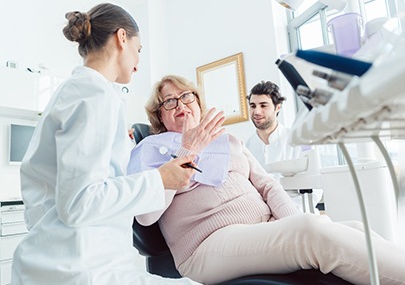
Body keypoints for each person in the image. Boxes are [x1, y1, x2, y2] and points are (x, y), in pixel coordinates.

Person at [127, 74, 405, 285]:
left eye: (186, 96)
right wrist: (189, 150)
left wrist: (290, 221)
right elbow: (146, 216)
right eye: (169, 101)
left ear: (198, 104)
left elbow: (268, 185)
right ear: (160, 116)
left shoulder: (228, 141)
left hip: (263, 228)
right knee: (310, 230)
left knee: (352, 227)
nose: (180, 105)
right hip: (206, 244)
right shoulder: (150, 148)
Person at [10, 3, 217, 285]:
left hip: (69, 257)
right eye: (139, 49)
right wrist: (159, 179)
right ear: (122, 38)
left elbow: (56, 196)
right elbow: (79, 202)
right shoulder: (94, 95)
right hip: (80, 266)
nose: (138, 60)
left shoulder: (80, 92)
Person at [245, 80, 322, 212]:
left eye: (263, 105)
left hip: (298, 212)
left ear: (278, 107)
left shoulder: (298, 140)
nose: (257, 111)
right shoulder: (247, 148)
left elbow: (316, 188)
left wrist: (287, 212)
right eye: (253, 106)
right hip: (263, 216)